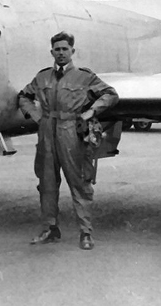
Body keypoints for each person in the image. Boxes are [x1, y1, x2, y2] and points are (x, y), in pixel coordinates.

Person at [17, 31, 119, 250]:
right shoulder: (42, 77)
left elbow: (110, 94)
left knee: (79, 182)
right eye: (57, 49)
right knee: (46, 183)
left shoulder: (84, 76)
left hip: (72, 132)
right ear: (51, 51)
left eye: (65, 49)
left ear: (73, 51)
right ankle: (49, 229)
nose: (61, 53)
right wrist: (36, 117)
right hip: (46, 134)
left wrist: (91, 112)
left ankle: (85, 233)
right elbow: (24, 96)